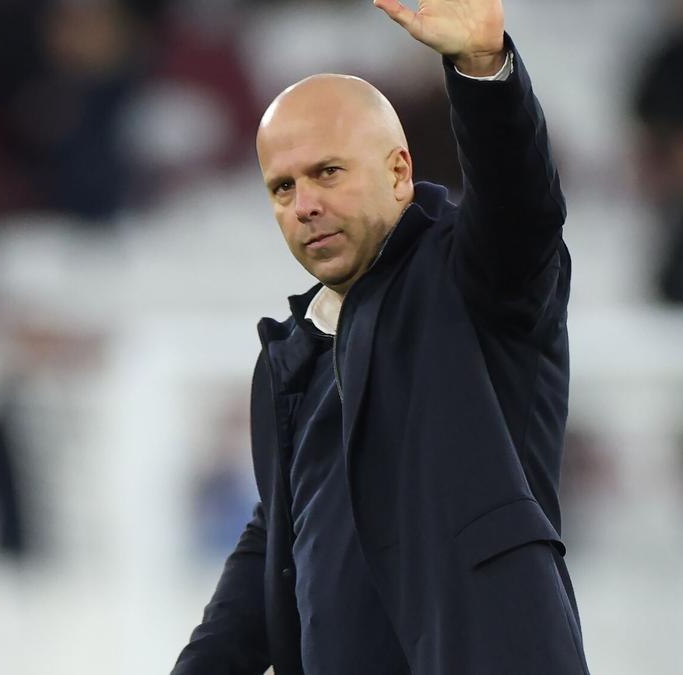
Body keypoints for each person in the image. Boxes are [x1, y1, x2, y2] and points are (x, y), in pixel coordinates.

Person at [171, 1, 589, 674]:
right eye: (282, 187)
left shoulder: (470, 277)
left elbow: (522, 205)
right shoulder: (291, 352)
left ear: (398, 172)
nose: (303, 203)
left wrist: (483, 71)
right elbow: (275, 543)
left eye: (327, 172)